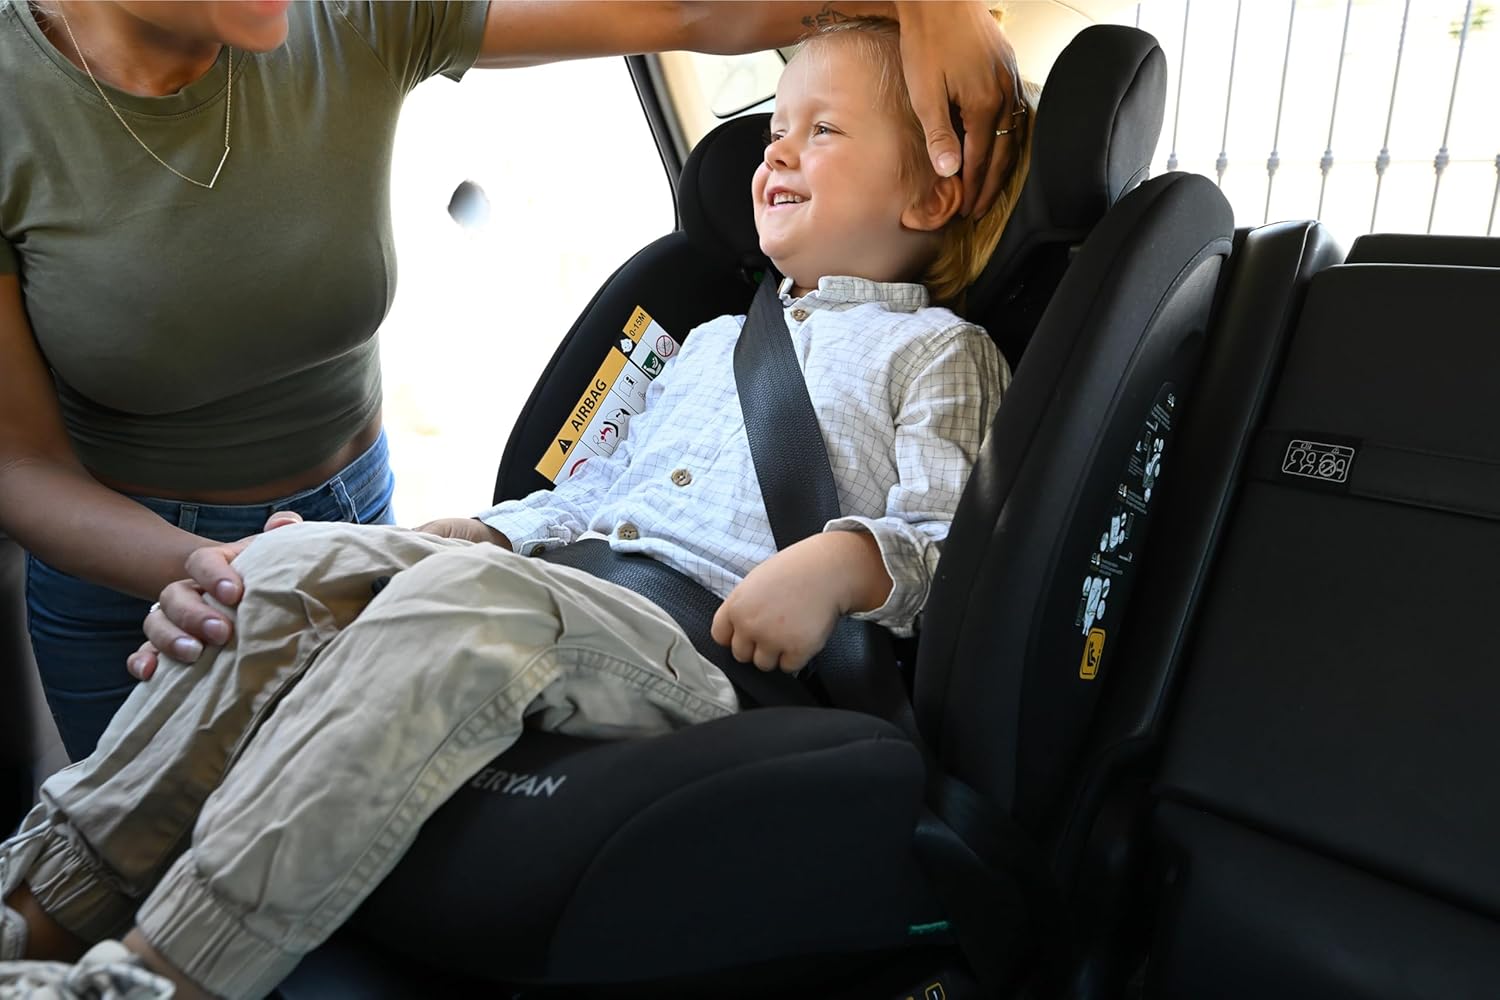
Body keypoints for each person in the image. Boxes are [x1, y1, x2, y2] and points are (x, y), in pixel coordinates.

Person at [0, 13, 1037, 1000]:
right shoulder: (712, 337)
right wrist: (454, 536)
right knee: (278, 570)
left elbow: (952, 542)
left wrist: (839, 564)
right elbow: (590, 499)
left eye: (823, 131)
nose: (775, 153)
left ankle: (161, 970)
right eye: (773, 130)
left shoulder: (939, 353)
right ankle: (38, 906)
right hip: (574, 594)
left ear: (931, 194)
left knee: (459, 608)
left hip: (707, 649)